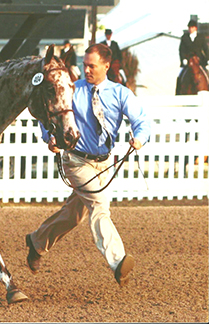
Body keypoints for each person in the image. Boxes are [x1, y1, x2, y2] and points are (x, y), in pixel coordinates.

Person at [26, 43, 151, 287]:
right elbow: (48, 115)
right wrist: (49, 137)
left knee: (74, 216)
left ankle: (37, 242)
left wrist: (139, 138)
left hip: (104, 163)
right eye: (84, 65)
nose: (86, 70)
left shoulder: (120, 93)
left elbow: (142, 120)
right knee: (99, 206)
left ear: (106, 66)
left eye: (91, 66)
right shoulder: (73, 90)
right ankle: (118, 262)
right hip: (76, 159)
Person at [176, 19, 209, 93]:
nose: (191, 29)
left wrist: (208, 59)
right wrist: (183, 59)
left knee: (207, 74)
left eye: (192, 27)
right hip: (188, 61)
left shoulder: (201, 37)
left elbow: (206, 49)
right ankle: (178, 92)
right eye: (189, 27)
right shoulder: (184, 37)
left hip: (199, 61)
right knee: (179, 75)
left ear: (195, 28)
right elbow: (181, 50)